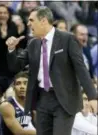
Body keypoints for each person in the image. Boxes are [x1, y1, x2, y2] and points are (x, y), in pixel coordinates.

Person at [6, 6, 97, 135]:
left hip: (64, 99)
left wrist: (93, 97)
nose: (28, 23)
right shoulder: (32, 44)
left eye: (31, 20)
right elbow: (15, 67)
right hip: (42, 99)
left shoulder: (67, 39)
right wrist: (11, 50)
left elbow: (81, 69)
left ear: (43, 21)